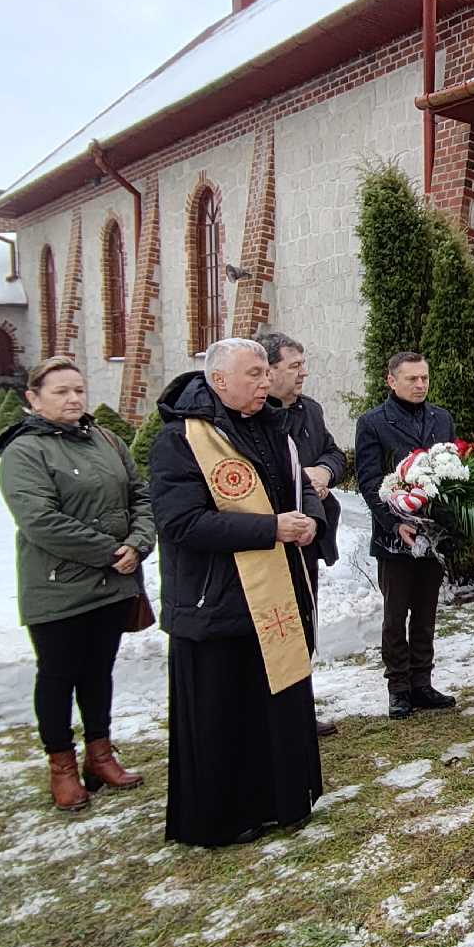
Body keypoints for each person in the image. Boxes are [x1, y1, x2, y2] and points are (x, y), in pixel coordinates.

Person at [150, 338, 326, 846]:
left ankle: (283, 799)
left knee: (274, 702)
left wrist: (310, 521)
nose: (264, 382)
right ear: (218, 380)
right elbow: (182, 523)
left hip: (273, 594)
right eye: (252, 374)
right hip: (214, 601)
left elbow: (297, 493)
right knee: (223, 713)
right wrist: (271, 529)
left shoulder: (273, 427)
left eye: (264, 373)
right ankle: (227, 816)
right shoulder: (181, 440)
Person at [0, 356, 156, 811]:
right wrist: (111, 552)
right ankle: (61, 765)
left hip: (114, 582)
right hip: (59, 586)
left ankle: (100, 753)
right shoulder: (25, 451)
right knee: (59, 675)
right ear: (33, 398)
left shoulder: (104, 438)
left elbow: (138, 493)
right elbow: (40, 520)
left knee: (98, 672)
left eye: (78, 390)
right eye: (61, 391)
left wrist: (139, 543)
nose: (73, 399)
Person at [354, 351, 456, 720]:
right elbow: (368, 480)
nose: (420, 385)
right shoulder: (373, 423)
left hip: (433, 533)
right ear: (391, 381)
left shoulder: (441, 418)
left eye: (424, 378)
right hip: (395, 534)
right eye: (412, 379)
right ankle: (398, 687)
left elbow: (452, 470)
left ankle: (421, 682)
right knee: (396, 615)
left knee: (426, 611)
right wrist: (394, 522)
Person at [260, 331, 347, 737]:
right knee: (274, 627)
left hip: (309, 537)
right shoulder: (257, 419)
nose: (303, 373)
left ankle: (300, 707)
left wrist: (324, 472)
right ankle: (271, 713)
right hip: (267, 540)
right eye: (294, 366)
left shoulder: (309, 411)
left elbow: (333, 453)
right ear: (269, 369)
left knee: (303, 623)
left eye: (302, 364)